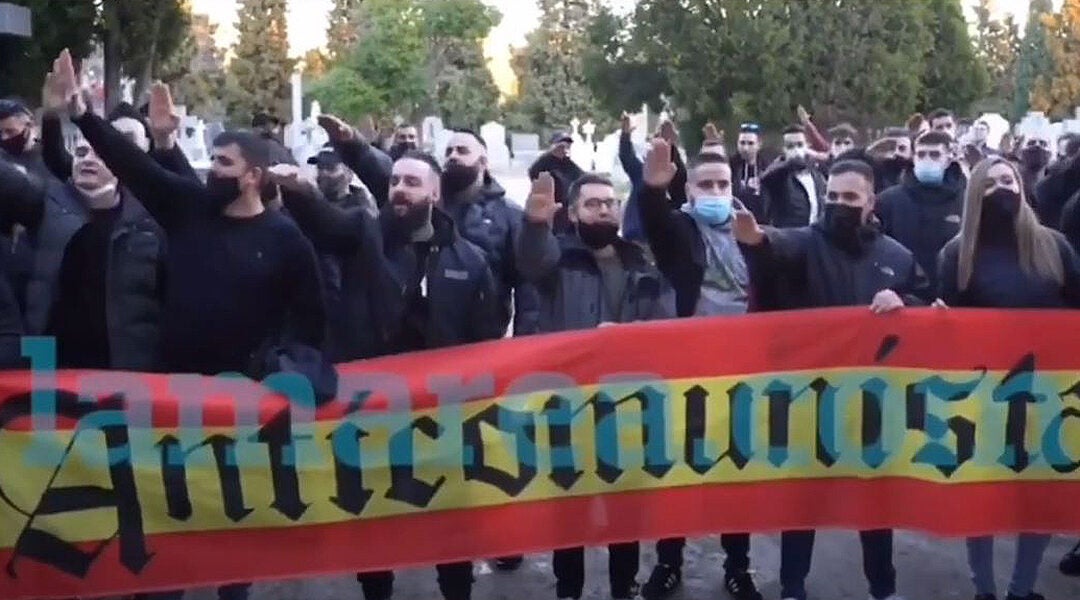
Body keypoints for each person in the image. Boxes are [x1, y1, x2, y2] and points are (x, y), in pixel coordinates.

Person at [734, 159, 926, 600]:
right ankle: (792, 587)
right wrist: (756, 242)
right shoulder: (806, 243)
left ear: (870, 201)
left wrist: (904, 300)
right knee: (803, 503)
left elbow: (924, 301)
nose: (840, 204)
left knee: (874, 507)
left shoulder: (896, 256)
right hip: (809, 401)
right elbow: (775, 248)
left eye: (850, 197)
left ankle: (883, 588)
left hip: (874, 405)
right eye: (833, 197)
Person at [517, 171, 670, 600]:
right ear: (573, 212)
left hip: (628, 405)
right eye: (592, 203)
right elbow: (531, 260)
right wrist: (534, 225)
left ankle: (624, 586)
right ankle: (569, 589)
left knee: (626, 506)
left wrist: (628, 339)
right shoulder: (557, 260)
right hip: (570, 405)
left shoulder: (640, 260)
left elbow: (663, 322)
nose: (603, 209)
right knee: (570, 506)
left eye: (609, 203)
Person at [936, 157, 1080, 600]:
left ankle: (1022, 589)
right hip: (983, 399)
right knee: (982, 496)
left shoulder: (1054, 245)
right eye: (991, 183)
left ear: (1023, 186)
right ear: (974, 193)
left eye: (1009, 180)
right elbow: (944, 324)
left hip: (1048, 397)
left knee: (1037, 496)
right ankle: (984, 589)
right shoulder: (956, 255)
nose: (1002, 189)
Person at [634, 141, 758, 600]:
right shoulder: (681, 229)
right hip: (685, 373)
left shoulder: (751, 230)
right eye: (705, 184)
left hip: (743, 373)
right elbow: (657, 226)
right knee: (678, 470)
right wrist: (650, 192)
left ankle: (739, 568)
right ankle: (669, 563)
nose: (716, 191)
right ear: (689, 191)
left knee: (736, 473)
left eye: (723, 184)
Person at [0, 132, 165, 371]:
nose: (88, 159)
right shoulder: (45, 204)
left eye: (100, 154)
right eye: (80, 153)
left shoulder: (148, 221)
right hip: (49, 365)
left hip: (125, 368)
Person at [875, 131, 965, 301]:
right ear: (913, 157)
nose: (927, 160)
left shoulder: (966, 201)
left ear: (948, 159)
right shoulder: (888, 201)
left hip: (954, 300)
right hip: (901, 298)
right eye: (921, 154)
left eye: (935, 154)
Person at [619, 114, 688, 246]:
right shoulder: (641, 173)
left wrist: (670, 145)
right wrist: (625, 134)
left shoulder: (677, 176)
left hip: (664, 245)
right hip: (635, 240)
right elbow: (626, 156)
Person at [759, 124, 827, 227]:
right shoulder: (779, 177)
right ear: (783, 149)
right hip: (788, 239)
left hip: (814, 237)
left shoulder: (817, 175)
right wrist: (790, 163)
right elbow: (766, 178)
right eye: (790, 146)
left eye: (800, 145)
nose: (796, 150)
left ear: (807, 146)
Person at [528, 131, 585, 232]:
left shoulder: (568, 163)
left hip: (566, 206)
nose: (563, 149)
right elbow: (533, 173)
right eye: (561, 146)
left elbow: (582, 176)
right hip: (550, 205)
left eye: (566, 146)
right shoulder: (545, 161)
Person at [730, 122, 768, 221]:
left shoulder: (767, 168)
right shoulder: (730, 167)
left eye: (750, 143)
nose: (745, 148)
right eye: (742, 143)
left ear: (759, 144)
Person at [866, 127, 914, 192]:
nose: (895, 152)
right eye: (891, 146)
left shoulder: (914, 170)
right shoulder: (874, 167)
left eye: (901, 148)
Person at [1015, 135, 1052, 205]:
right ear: (1020, 153)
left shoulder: (1056, 183)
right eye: (1031, 143)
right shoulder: (1013, 181)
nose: (1037, 146)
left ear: (1050, 154)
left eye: (1043, 144)